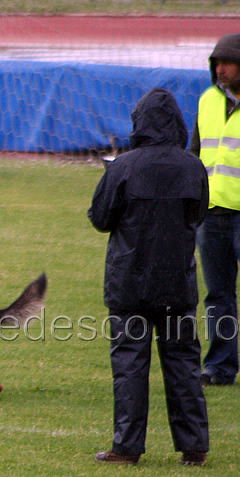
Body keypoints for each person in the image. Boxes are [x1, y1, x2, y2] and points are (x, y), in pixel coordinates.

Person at [88, 88, 209, 465]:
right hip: (177, 282)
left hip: (129, 283)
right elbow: (198, 215)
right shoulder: (192, 166)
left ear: (139, 123)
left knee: (129, 366)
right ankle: (194, 446)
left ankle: (126, 447)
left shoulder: (124, 167)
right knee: (184, 365)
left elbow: (100, 218)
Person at [190, 33, 240, 387]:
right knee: (217, 295)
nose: (219, 69)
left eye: (226, 62)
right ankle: (220, 368)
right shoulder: (207, 100)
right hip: (211, 216)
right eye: (215, 63)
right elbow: (193, 155)